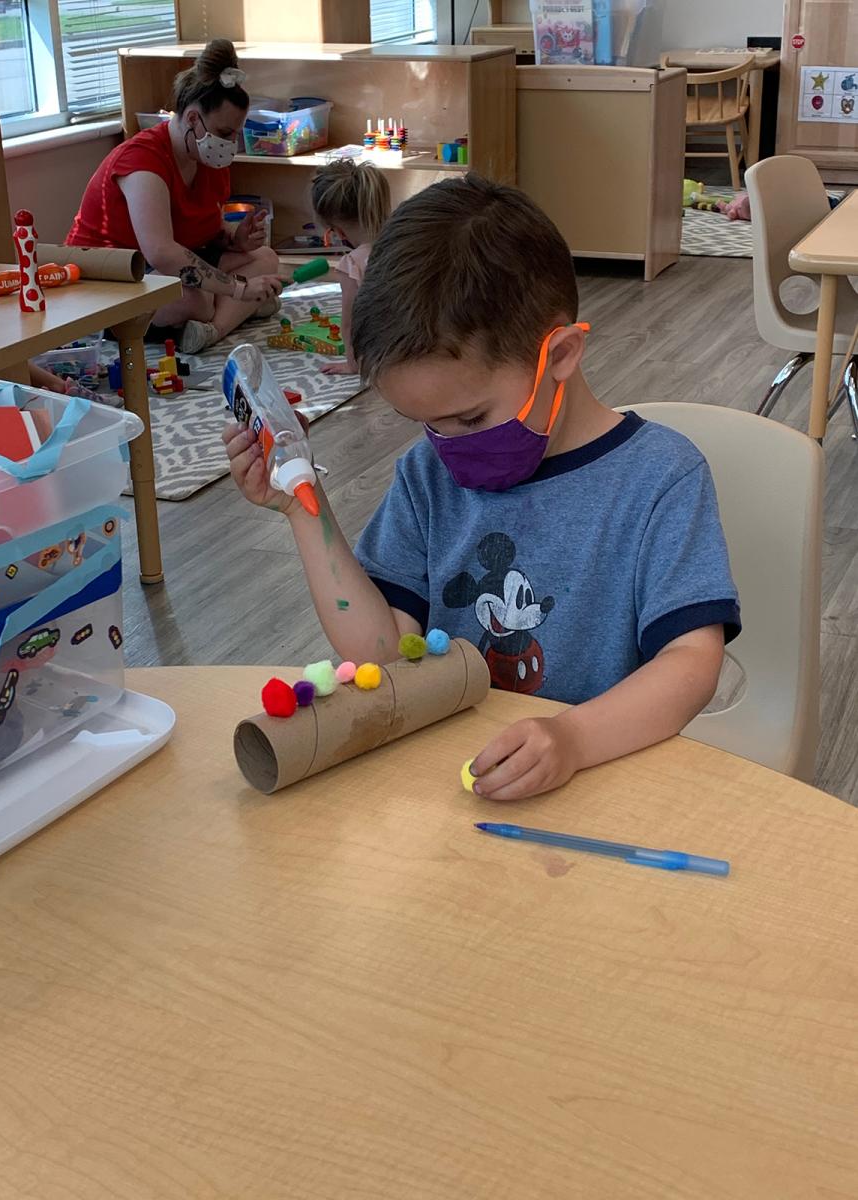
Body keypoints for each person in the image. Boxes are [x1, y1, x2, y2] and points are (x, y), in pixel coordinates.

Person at [223, 175, 741, 802]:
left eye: (470, 419)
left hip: (604, 775)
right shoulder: (426, 477)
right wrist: (302, 508)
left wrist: (572, 738)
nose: (447, 445)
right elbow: (383, 651)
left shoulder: (660, 478)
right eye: (426, 423)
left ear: (562, 354)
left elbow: (692, 664)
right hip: (458, 784)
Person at [67, 39, 282, 354]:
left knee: (266, 259)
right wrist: (238, 288)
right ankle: (230, 311)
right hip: (111, 278)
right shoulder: (142, 162)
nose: (232, 144)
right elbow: (162, 253)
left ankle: (212, 330)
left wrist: (237, 238)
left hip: (166, 267)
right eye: (225, 134)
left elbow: (201, 229)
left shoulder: (205, 155)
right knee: (194, 298)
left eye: (235, 133)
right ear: (194, 119)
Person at [309, 160, 391, 375]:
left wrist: (353, 364)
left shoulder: (352, 263)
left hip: (386, 357)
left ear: (336, 231)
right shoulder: (405, 242)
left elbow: (350, 323)